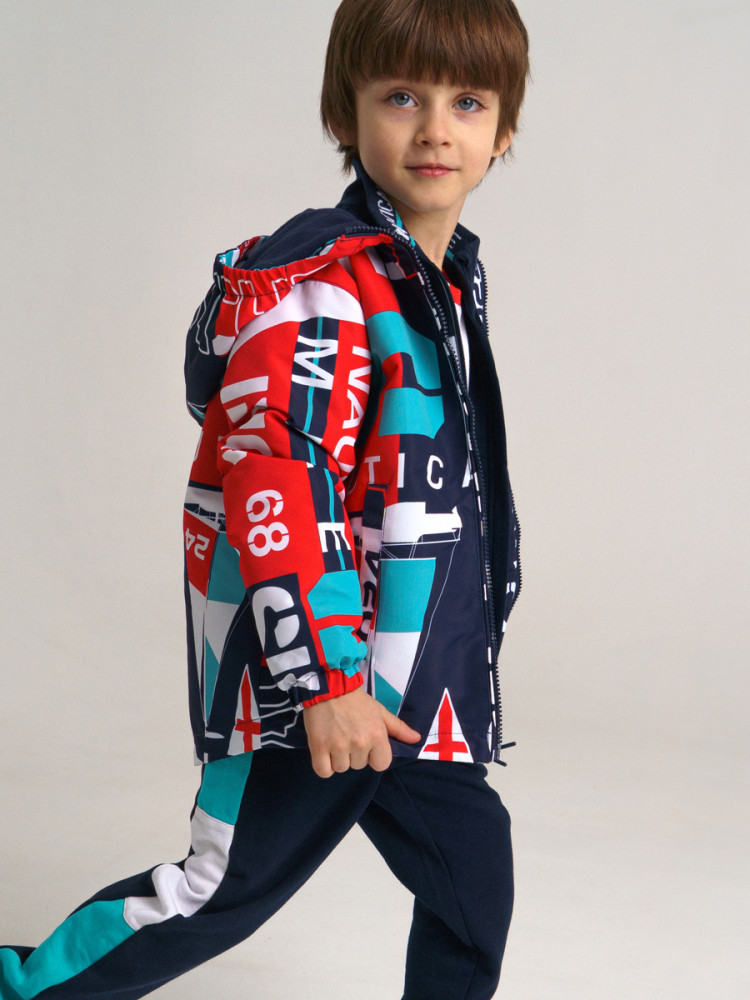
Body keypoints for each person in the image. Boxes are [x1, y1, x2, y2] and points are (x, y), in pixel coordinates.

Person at [0, 0, 529, 997]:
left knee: (473, 883)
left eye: (467, 102)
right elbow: (280, 475)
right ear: (345, 114)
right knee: (215, 888)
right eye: (402, 96)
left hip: (414, 688)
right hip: (320, 683)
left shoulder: (441, 283)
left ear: (503, 131)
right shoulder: (324, 288)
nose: (435, 129)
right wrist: (325, 680)